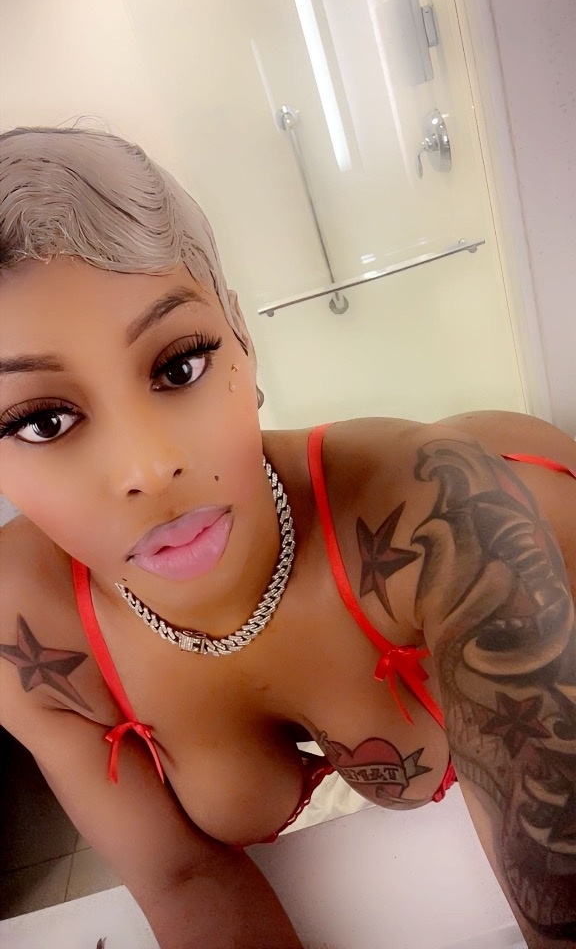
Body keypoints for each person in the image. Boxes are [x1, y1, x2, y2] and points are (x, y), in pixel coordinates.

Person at [0, 126, 574, 949]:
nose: (149, 468)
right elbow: (184, 877)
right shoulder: (26, 624)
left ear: (242, 334)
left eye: (180, 365)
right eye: (43, 421)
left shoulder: (443, 517)